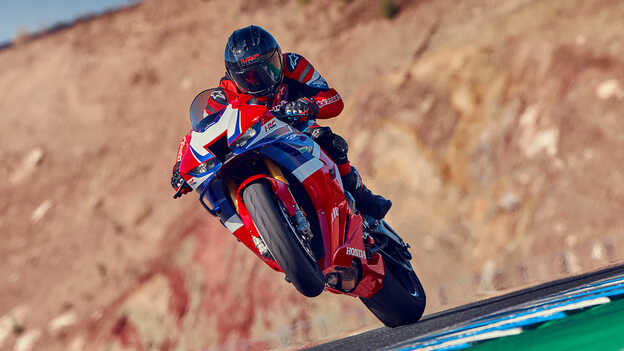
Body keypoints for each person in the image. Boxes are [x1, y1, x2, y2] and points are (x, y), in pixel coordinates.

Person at [171, 25, 391, 219]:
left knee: (326, 140)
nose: (263, 78)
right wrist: (181, 166)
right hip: (254, 143)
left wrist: (309, 106)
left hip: (296, 130)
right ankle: (262, 230)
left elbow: (334, 100)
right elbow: (199, 132)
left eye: (270, 67)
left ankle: (361, 195)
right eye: (249, 76)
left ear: (278, 55)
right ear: (233, 76)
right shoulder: (224, 94)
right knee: (222, 184)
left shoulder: (294, 64)